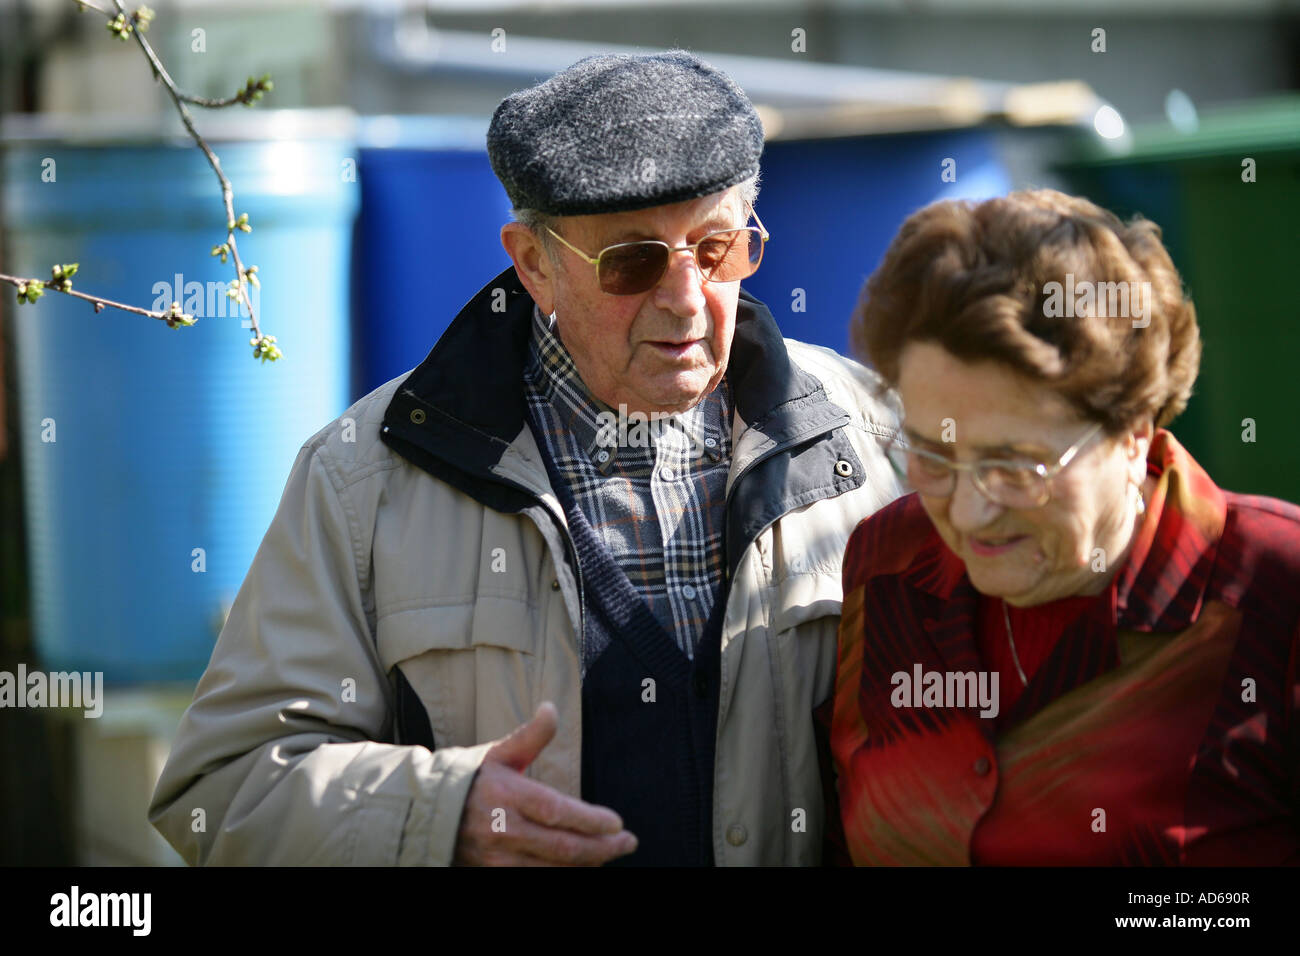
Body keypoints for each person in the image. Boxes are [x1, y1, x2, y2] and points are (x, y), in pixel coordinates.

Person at [148, 50, 905, 866]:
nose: (686, 299)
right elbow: (221, 788)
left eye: (716, 249)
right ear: (534, 264)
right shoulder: (365, 478)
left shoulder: (865, 434)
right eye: (634, 261)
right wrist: (435, 817)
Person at [822, 188, 1300, 865]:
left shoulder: (1277, 597)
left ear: (1133, 432)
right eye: (932, 454)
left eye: (1015, 466)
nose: (965, 512)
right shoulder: (887, 563)